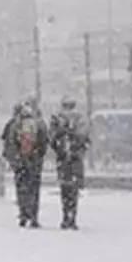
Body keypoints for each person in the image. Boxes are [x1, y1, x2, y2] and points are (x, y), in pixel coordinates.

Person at [50, 96, 91, 230]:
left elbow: (52, 139)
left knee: (64, 189)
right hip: (76, 159)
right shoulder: (81, 119)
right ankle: (72, 217)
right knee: (74, 190)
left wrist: (59, 148)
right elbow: (85, 139)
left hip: (63, 159)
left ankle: (65, 216)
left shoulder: (57, 118)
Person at [7, 100, 49, 228]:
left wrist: (15, 158)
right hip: (34, 161)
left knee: (21, 188)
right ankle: (34, 216)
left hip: (20, 162)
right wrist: (38, 156)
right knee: (34, 189)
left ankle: (23, 214)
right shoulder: (39, 124)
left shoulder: (16, 125)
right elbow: (44, 142)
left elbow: (10, 142)